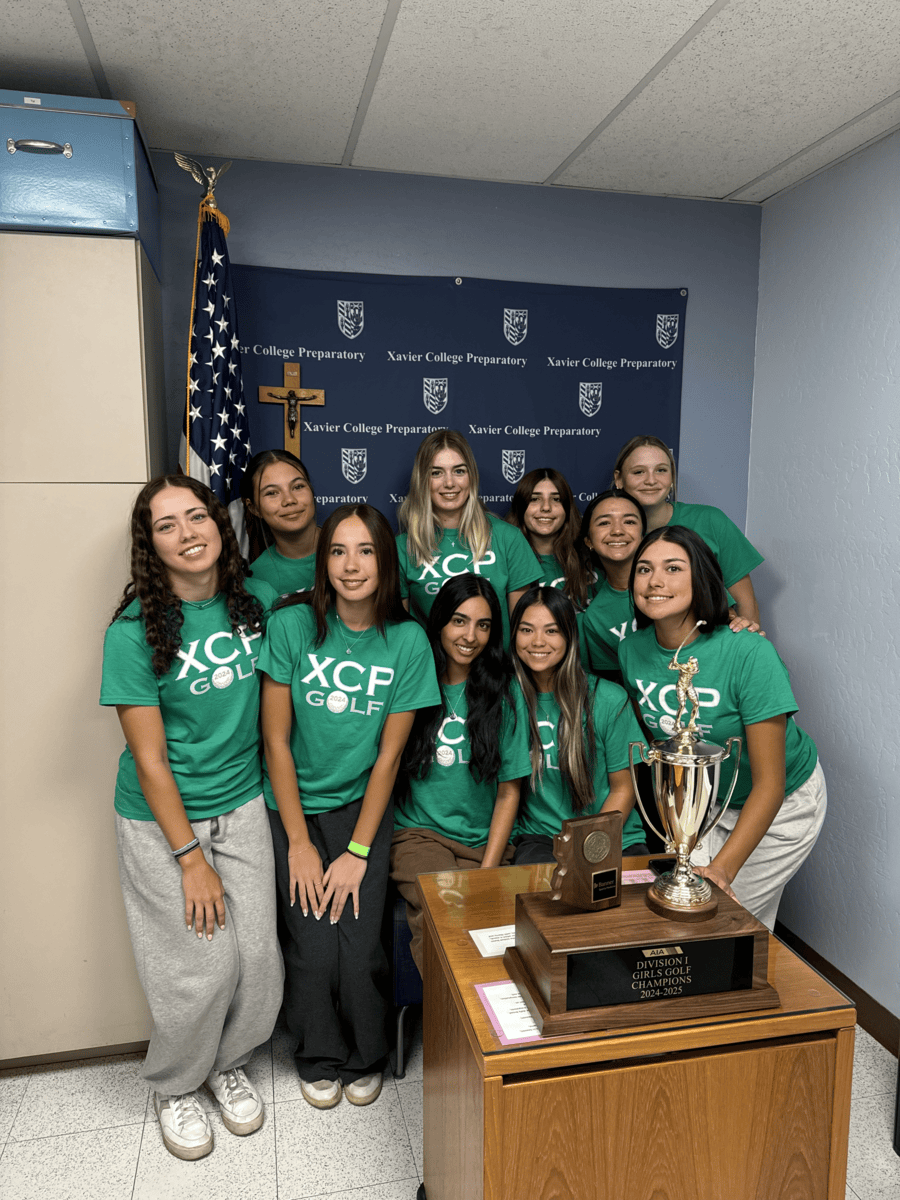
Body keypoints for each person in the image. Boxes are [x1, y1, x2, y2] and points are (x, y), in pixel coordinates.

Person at [100, 476, 283, 1162]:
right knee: (197, 969)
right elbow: (149, 762)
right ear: (150, 546)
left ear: (220, 524)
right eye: (167, 525)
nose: (188, 532)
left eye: (197, 516)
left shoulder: (253, 603)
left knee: (259, 959)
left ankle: (222, 1063)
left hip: (241, 804)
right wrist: (189, 859)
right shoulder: (132, 631)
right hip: (161, 823)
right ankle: (175, 1084)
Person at [259, 503, 440, 1110]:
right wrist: (301, 845)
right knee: (311, 943)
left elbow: (388, 760)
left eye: (365, 550)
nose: (351, 564)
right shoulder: (290, 626)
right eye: (338, 551)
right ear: (323, 560)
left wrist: (359, 850)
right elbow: (276, 742)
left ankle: (367, 1054)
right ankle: (317, 1054)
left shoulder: (408, 639)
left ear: (384, 560)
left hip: (364, 807)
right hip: (293, 809)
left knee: (360, 945)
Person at [619, 525, 826, 929]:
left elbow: (771, 782)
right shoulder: (631, 650)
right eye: (643, 569)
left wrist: (722, 870)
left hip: (779, 804)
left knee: (723, 921)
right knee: (685, 917)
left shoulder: (748, 651)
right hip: (706, 802)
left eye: (673, 568)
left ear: (701, 578)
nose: (655, 581)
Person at [391, 574, 531, 972]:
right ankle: (452, 1023)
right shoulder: (415, 677)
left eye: (483, 625)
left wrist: (488, 871)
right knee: (447, 911)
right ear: (439, 623)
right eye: (459, 621)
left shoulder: (505, 692)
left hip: (482, 842)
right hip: (418, 835)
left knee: (495, 927)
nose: (470, 635)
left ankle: (489, 1019)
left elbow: (509, 793)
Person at [508, 586, 648, 864]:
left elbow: (624, 789)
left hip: (615, 836)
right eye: (526, 630)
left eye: (551, 631)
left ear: (569, 637)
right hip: (543, 839)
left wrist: (589, 850)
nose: (538, 641)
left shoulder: (608, 698)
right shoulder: (508, 699)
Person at [397, 430, 538, 644]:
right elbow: (401, 637)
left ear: (471, 476)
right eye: (436, 473)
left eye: (459, 471)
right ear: (422, 479)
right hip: (431, 673)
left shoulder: (508, 538)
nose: (450, 483)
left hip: (496, 671)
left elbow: (522, 628)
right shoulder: (402, 548)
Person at [612, 435, 763, 623]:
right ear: (619, 479)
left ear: (672, 478)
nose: (651, 480)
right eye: (638, 472)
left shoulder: (710, 521)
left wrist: (750, 648)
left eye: (661, 470)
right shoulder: (614, 538)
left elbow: (746, 605)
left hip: (713, 643)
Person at [504, 467, 593, 609]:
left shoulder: (590, 557)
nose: (546, 507)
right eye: (535, 499)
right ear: (521, 508)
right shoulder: (504, 560)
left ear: (567, 508)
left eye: (556, 499)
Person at [241, 449, 319, 595]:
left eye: (298, 487)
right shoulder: (257, 579)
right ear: (254, 508)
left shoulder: (352, 549)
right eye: (272, 493)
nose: (289, 500)